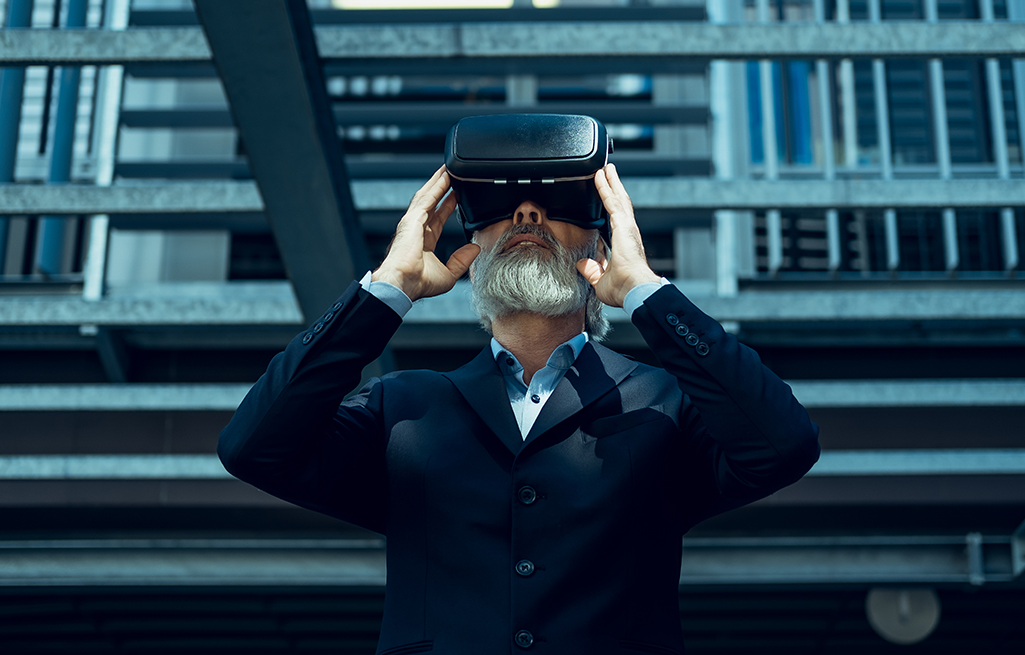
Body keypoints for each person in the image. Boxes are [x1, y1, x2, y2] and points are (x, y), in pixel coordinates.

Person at [219, 163, 820, 655]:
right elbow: (254, 448)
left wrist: (647, 294)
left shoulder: (665, 403)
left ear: (600, 239)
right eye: (501, 205)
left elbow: (784, 444)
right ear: (470, 241)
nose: (528, 213)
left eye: (555, 201)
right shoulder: (403, 408)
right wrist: (386, 290)